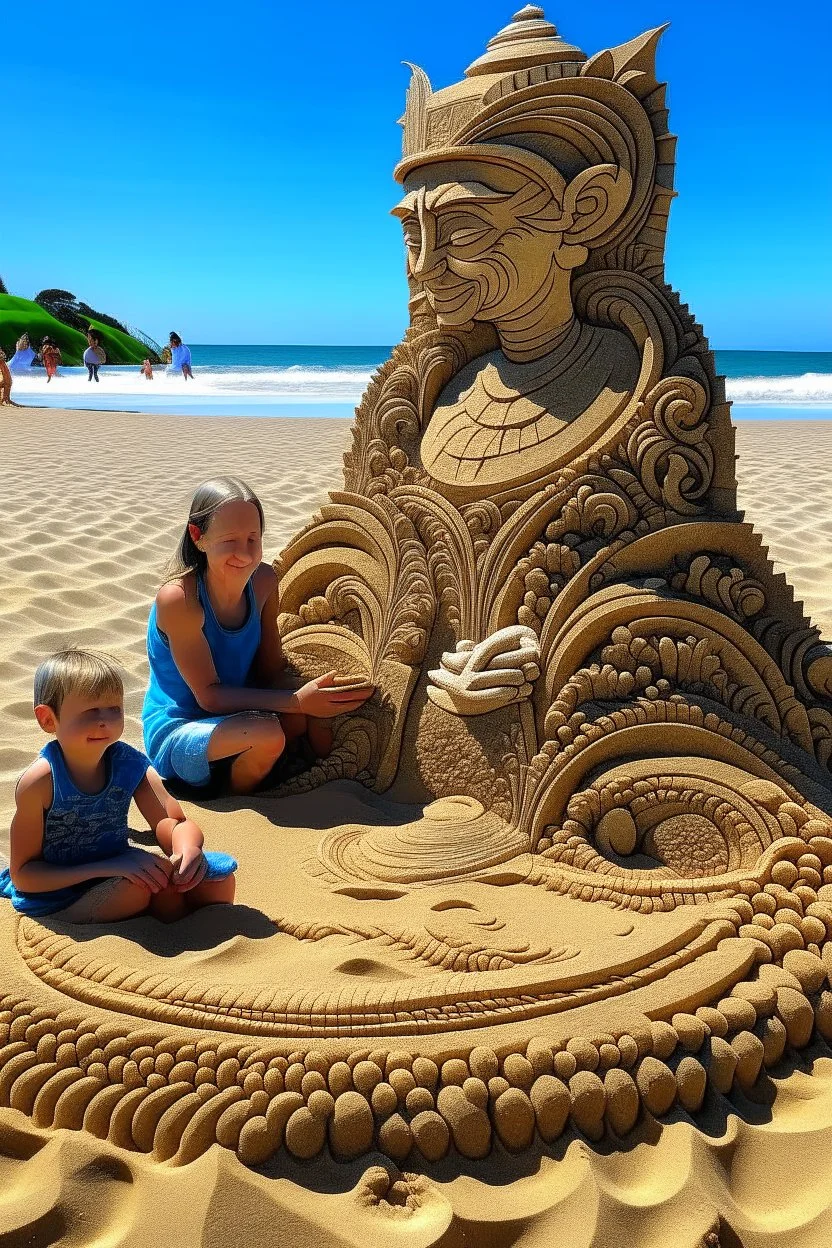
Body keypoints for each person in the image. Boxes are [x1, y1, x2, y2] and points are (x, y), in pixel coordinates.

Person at [142, 477, 374, 796]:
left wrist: (317, 696)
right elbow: (208, 696)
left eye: (253, 539)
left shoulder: (263, 581)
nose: (244, 553)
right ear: (198, 537)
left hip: (238, 717)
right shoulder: (180, 600)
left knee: (304, 719)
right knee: (268, 732)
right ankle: (239, 801)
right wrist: (295, 701)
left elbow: (270, 668)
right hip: (182, 728)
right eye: (229, 540)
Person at [0, 650, 237, 924]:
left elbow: (172, 820)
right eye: (90, 711)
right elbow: (24, 875)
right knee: (135, 891)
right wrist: (107, 867)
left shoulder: (128, 764)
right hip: (60, 889)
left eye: (114, 709)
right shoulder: (41, 781)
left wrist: (187, 849)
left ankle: (191, 926)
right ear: (48, 719)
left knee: (217, 878)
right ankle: (72, 918)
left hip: (119, 870)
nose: (105, 720)